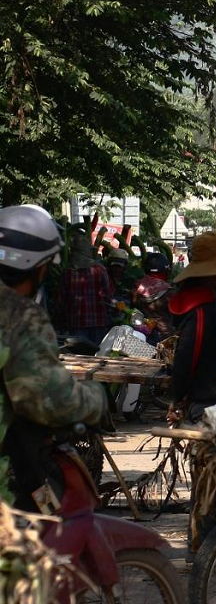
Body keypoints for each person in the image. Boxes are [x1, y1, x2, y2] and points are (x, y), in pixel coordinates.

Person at [0, 206, 108, 512]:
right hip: (10, 472)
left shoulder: (66, 279)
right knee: (45, 533)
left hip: (75, 326)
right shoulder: (19, 316)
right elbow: (47, 399)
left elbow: (59, 300)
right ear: (38, 266)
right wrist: (95, 399)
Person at [168, 233, 216, 424]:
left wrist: (178, 397)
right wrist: (178, 398)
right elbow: (186, 359)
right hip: (212, 399)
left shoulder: (214, 304)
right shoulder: (203, 311)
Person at [52, 229, 117, 344]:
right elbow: (108, 295)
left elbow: (60, 301)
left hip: (76, 323)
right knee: (98, 356)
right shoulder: (100, 270)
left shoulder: (68, 273)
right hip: (99, 322)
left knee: (80, 357)